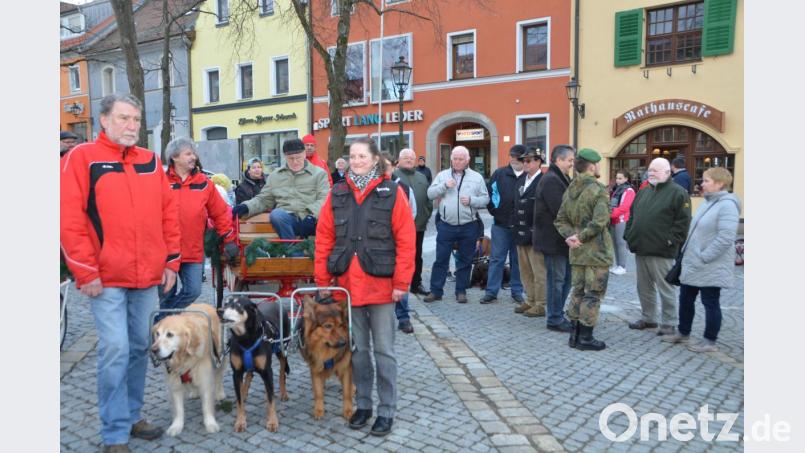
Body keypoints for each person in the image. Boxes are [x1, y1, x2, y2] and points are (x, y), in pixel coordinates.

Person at [60, 93, 181, 451]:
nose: (131, 126)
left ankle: (132, 415)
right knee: (115, 348)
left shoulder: (150, 160)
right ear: (104, 120)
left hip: (147, 277)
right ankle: (114, 432)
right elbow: (68, 218)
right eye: (124, 118)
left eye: (136, 120)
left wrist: (171, 261)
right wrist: (85, 270)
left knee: (141, 346)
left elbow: (168, 213)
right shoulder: (82, 158)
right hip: (106, 277)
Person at [314, 137, 415, 437]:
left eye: (362, 156)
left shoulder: (392, 192)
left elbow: (406, 240)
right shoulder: (337, 193)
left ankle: (386, 410)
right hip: (348, 286)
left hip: (382, 285)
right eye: (353, 156)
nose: (356, 161)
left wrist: (401, 282)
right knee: (357, 352)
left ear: (374, 160)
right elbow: (324, 238)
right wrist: (323, 281)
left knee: (384, 351)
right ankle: (364, 406)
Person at [661, 167, 740, 352]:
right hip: (693, 264)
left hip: (710, 265)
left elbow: (726, 238)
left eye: (706, 181)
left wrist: (704, 257)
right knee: (686, 299)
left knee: (710, 302)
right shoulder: (707, 202)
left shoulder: (727, 205)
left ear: (720, 184)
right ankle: (683, 333)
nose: (701, 184)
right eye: (703, 180)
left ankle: (710, 341)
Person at [159, 138, 238, 318]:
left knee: (193, 291)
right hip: (165, 251)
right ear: (174, 157)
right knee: (166, 294)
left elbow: (220, 213)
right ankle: (166, 330)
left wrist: (228, 239)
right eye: (188, 154)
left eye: (194, 153)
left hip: (193, 249)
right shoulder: (161, 181)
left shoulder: (203, 182)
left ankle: (161, 320)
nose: (194, 157)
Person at [554, 148, 614, 350]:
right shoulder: (598, 189)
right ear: (592, 166)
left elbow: (560, 220)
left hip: (577, 251)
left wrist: (571, 236)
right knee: (593, 294)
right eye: (598, 164)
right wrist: (579, 237)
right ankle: (586, 338)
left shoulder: (571, 189)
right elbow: (600, 222)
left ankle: (574, 336)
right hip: (597, 252)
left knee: (578, 291)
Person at [625, 157, 691, 336]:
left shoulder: (678, 192)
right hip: (641, 247)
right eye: (650, 169)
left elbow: (683, 222)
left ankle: (669, 323)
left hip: (662, 250)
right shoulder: (644, 191)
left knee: (666, 288)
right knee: (644, 287)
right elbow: (632, 215)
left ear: (668, 172)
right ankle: (649, 318)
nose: (651, 173)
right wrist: (628, 235)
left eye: (656, 170)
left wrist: (670, 241)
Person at [424, 146, 490, 304]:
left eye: (461, 159)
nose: (457, 161)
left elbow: (485, 199)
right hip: (447, 225)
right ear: (451, 159)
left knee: (465, 261)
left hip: (469, 225)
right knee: (441, 259)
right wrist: (444, 186)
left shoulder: (476, 177)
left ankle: (461, 291)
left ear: (468, 160)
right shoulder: (442, 175)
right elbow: (430, 194)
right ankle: (436, 291)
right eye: (455, 158)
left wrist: (472, 200)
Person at [232, 138, 330, 240]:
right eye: (291, 158)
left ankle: (295, 248)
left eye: (298, 157)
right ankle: (292, 248)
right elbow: (264, 199)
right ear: (285, 157)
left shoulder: (319, 174)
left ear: (304, 154)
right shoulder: (275, 176)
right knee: (277, 214)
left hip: (312, 219)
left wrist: (312, 216)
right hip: (287, 219)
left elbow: (324, 199)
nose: (295, 162)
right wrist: (247, 206)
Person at [533, 145, 575, 330]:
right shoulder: (551, 180)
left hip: (561, 240)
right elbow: (561, 210)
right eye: (569, 160)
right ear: (559, 160)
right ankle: (554, 318)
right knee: (557, 281)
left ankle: (558, 313)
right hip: (553, 240)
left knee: (565, 280)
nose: (572, 164)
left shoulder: (560, 177)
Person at [512, 148, 556, 324]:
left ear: (539, 161)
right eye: (523, 161)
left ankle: (541, 303)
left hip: (536, 233)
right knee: (525, 271)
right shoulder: (521, 179)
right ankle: (530, 300)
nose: (525, 164)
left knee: (539, 272)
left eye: (529, 161)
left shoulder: (544, 181)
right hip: (520, 232)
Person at [481, 145, 526, 305]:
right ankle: (491, 292)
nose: (514, 159)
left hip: (520, 227)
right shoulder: (499, 173)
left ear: (524, 159)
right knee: (496, 259)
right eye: (512, 156)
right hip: (500, 225)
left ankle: (517, 291)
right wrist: (495, 211)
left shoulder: (528, 176)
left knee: (517, 260)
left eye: (517, 157)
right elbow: (490, 193)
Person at [394, 148, 433, 296]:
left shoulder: (422, 177)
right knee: (399, 256)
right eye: (405, 157)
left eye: (411, 157)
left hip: (418, 226)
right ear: (399, 160)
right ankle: (397, 284)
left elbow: (428, 200)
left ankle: (416, 284)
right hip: (398, 228)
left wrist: (426, 216)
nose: (409, 159)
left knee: (417, 256)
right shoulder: (393, 176)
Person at [609, 170, 636, 275]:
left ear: (626, 179)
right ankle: (618, 264)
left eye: (620, 178)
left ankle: (622, 266)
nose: (618, 180)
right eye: (617, 178)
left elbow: (625, 207)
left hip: (622, 219)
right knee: (615, 243)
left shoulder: (629, 190)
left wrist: (611, 214)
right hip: (614, 218)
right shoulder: (617, 189)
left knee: (621, 243)